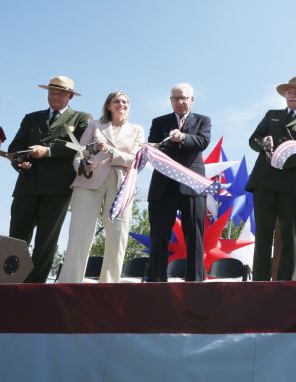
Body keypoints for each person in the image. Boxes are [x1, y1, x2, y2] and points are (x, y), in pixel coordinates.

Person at [8, 76, 90, 283]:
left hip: (58, 188)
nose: (54, 96)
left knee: (47, 240)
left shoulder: (81, 118)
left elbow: (81, 148)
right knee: (16, 238)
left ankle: (35, 288)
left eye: (60, 93)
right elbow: (15, 148)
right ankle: (10, 283)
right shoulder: (31, 118)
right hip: (27, 185)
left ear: (70, 96)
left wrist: (49, 151)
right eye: (51, 92)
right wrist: (20, 162)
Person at [58, 92, 144, 283]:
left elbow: (134, 160)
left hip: (121, 184)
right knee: (79, 232)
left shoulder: (137, 129)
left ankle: (110, 284)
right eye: (117, 101)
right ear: (108, 105)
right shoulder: (94, 125)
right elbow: (80, 153)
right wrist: (82, 166)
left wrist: (109, 150)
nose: (121, 104)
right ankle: (69, 283)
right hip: (89, 181)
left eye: (125, 101)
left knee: (118, 234)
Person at [246, 76, 296, 281]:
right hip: (264, 182)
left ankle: (286, 286)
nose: (292, 94)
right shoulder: (271, 115)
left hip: (290, 185)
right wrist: (263, 143)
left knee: (290, 239)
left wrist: (279, 159)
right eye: (289, 91)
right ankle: (259, 283)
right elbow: (253, 139)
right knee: (262, 237)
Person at [147, 83, 211, 282]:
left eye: (184, 98)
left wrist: (182, 137)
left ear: (192, 99)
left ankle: (195, 282)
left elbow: (202, 142)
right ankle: (156, 282)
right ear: (170, 101)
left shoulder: (202, 120)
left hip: (192, 186)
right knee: (158, 236)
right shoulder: (159, 122)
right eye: (175, 98)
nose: (180, 102)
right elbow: (154, 147)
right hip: (162, 186)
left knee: (194, 236)